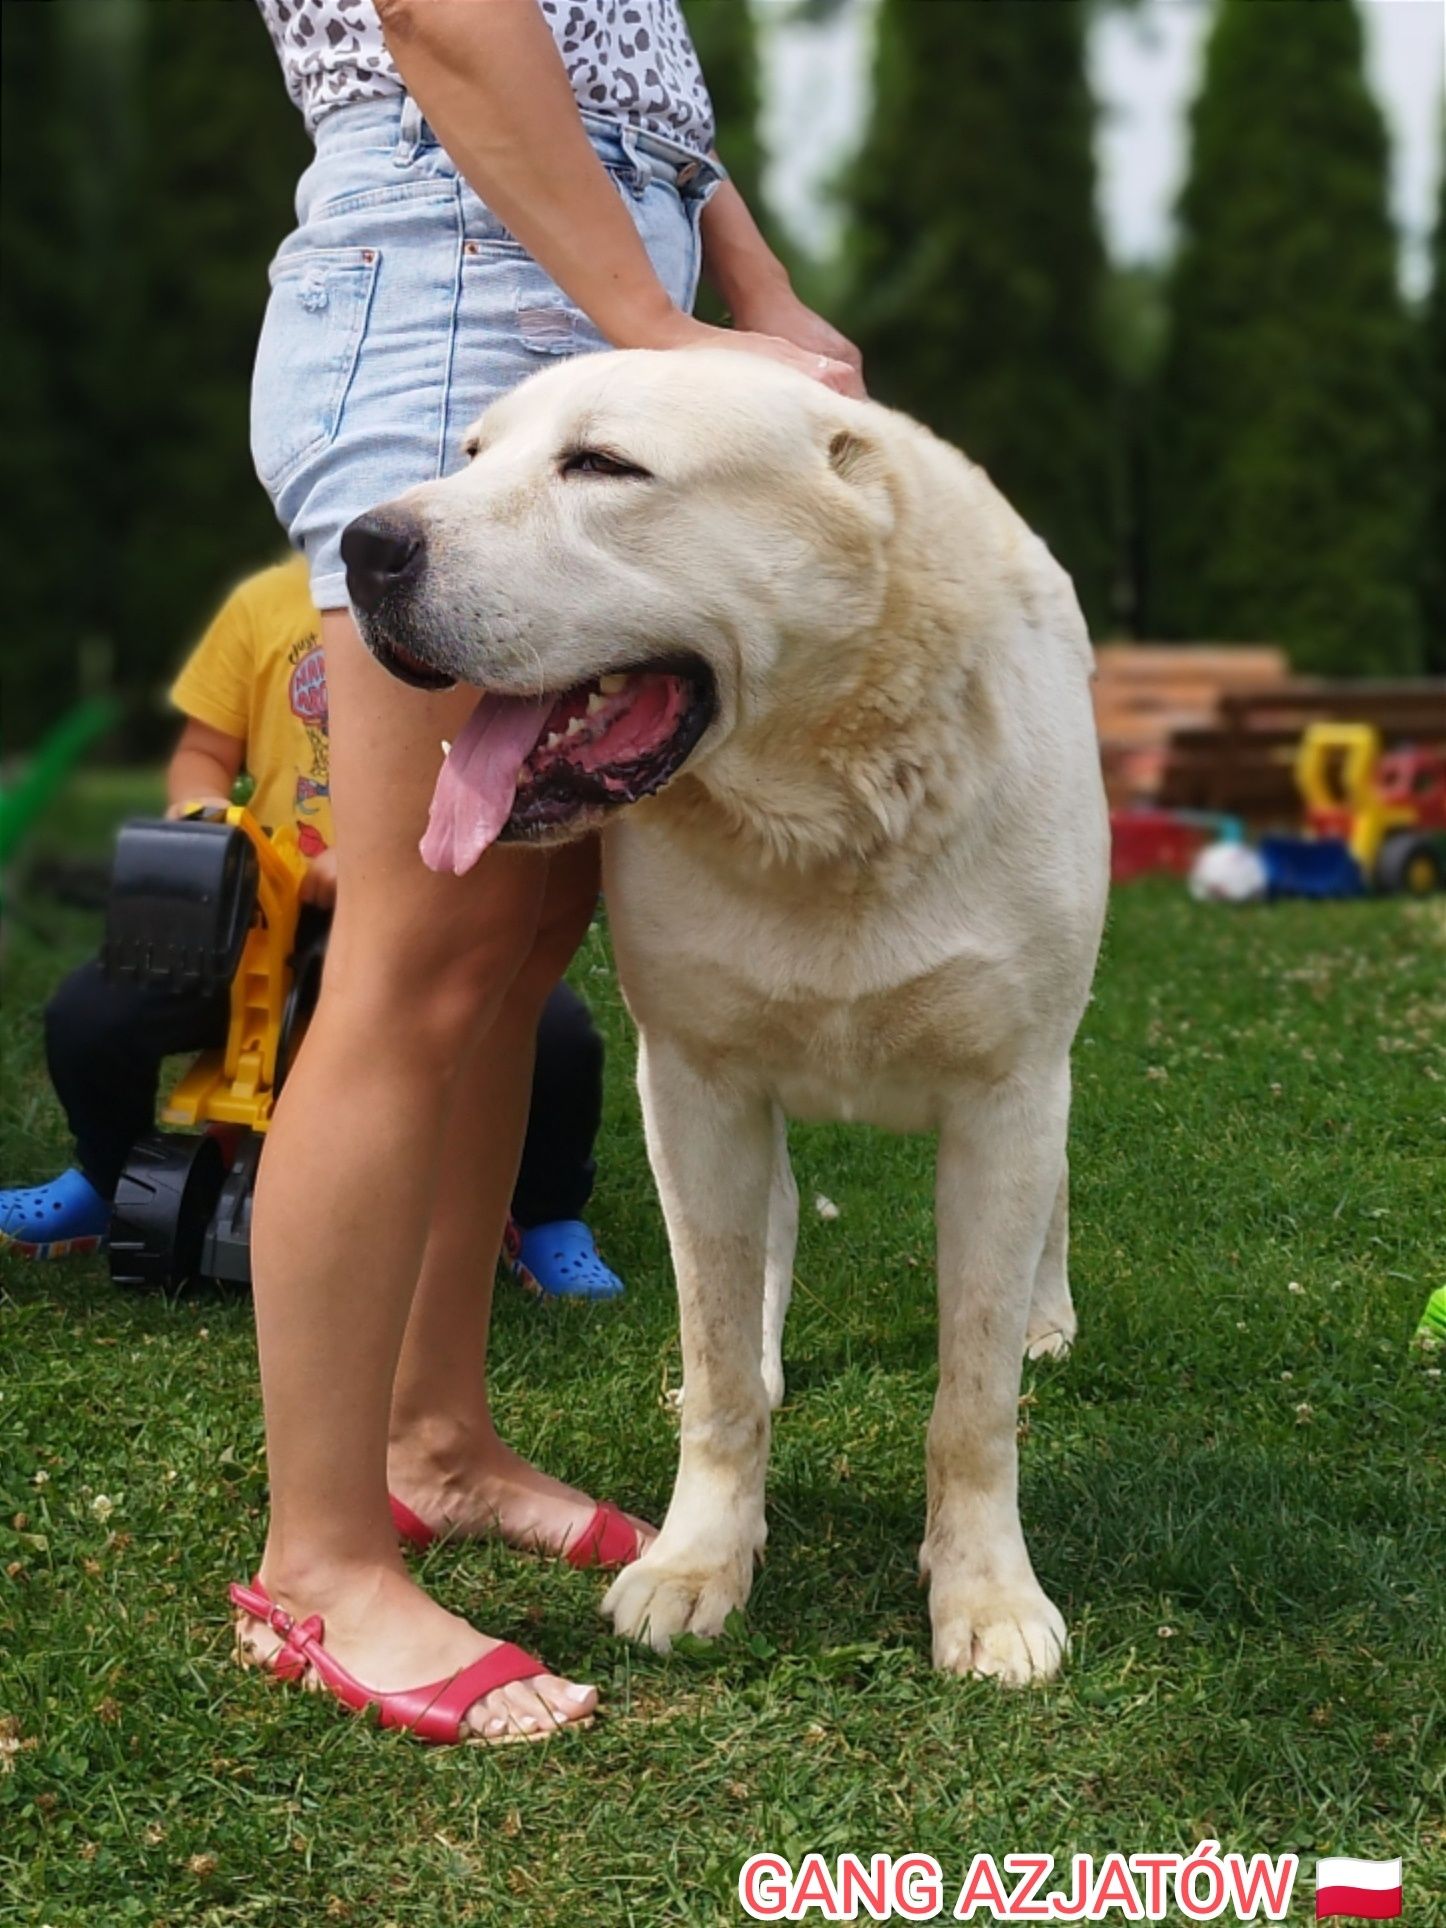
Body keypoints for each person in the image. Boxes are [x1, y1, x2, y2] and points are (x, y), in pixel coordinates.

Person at [236, 0, 863, 1746]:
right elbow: (443, 13)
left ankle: (434, 1437)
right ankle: (317, 1559)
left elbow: (633, 83)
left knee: (515, 941)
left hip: (568, 256)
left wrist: (745, 287)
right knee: (420, 950)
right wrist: (656, 321)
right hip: (457, 270)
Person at [0, 556, 625, 1299]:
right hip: (256, 907)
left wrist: (375, 865)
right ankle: (105, 1179)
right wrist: (202, 809)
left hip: (419, 908)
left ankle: (547, 1214)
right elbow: (203, 751)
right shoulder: (263, 605)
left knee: (555, 1040)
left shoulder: (472, 603)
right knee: (91, 1016)